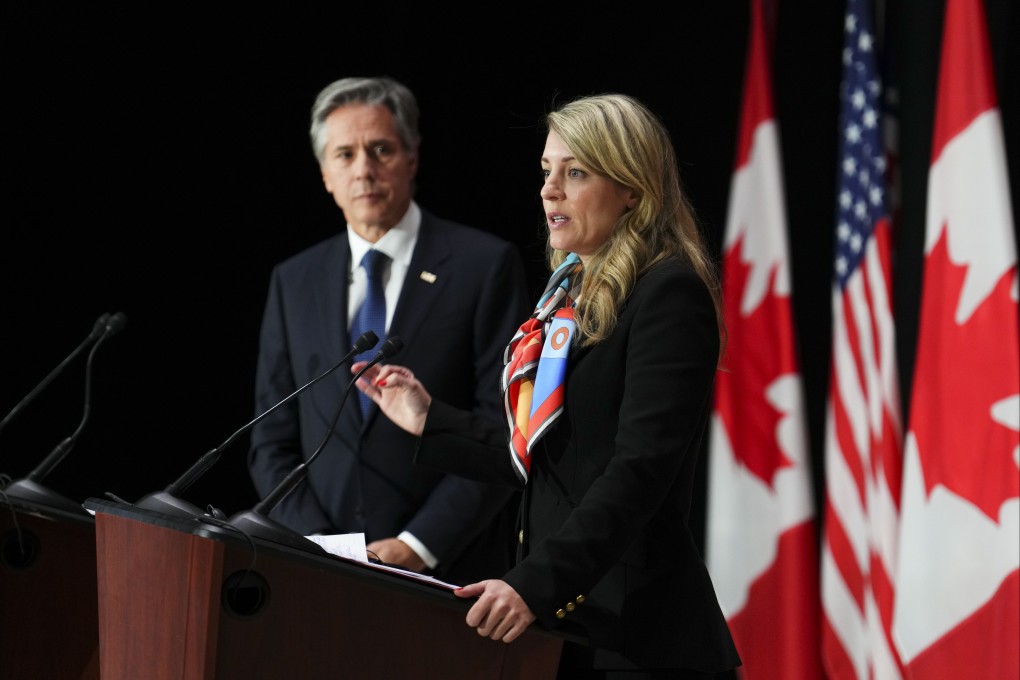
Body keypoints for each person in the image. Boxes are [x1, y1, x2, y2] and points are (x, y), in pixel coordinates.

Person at [354, 93, 742, 678]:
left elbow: (639, 473)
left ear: (632, 188)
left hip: (636, 639)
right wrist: (429, 419)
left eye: (575, 172)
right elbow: (548, 453)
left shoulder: (667, 294)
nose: (549, 189)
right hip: (565, 632)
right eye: (546, 171)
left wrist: (532, 586)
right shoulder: (568, 299)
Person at [247, 76, 531, 585]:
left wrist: (416, 546)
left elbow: (506, 427)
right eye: (345, 155)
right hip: (317, 576)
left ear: (412, 158)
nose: (365, 170)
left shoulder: (483, 266)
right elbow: (271, 440)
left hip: (450, 580)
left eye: (381, 149)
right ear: (325, 174)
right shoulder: (293, 279)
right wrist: (321, 547)